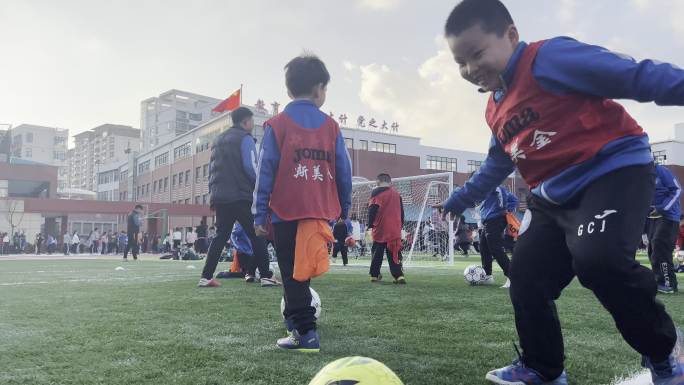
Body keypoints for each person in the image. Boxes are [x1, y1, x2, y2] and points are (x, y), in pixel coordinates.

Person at [437, 1, 684, 383]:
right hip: (552, 199)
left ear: (512, 35)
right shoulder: (494, 108)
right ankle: (543, 368)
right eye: (460, 62)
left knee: (598, 262)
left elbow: (636, 76)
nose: (469, 69)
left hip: (613, 172)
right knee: (526, 277)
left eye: (477, 54)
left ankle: (666, 351)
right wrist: (458, 199)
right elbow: (496, 164)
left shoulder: (549, 59)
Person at [254, 54, 352, 352]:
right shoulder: (331, 127)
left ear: (288, 91)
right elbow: (344, 172)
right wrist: (343, 211)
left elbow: (264, 171)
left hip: (284, 213)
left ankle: (305, 333)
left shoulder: (277, 124)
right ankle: (296, 321)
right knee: (303, 270)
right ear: (320, 89)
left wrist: (259, 214)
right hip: (319, 214)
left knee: (292, 272)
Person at [200, 106, 279, 288]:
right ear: (245, 122)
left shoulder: (218, 140)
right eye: (252, 121)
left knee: (220, 236)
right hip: (241, 196)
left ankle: (205, 276)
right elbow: (251, 167)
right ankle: (266, 275)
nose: (253, 124)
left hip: (221, 197)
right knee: (257, 235)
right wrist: (262, 188)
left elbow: (213, 171)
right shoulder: (245, 138)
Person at [646, 164, 682, 293]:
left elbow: (677, 189)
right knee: (651, 250)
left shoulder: (661, 171)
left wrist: (661, 208)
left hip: (668, 216)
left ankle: (669, 284)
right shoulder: (640, 174)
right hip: (651, 217)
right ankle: (659, 281)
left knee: (660, 247)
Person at [367, 173, 406, 284]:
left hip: (380, 229)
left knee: (377, 253)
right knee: (394, 252)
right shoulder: (397, 194)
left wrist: (370, 226)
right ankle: (399, 276)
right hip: (394, 229)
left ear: (377, 182)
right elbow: (402, 212)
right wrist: (400, 226)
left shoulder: (376, 193)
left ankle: (374, 275)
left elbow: (372, 210)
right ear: (390, 182)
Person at [477, 185, 518, 288]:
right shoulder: (484, 191)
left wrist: (505, 208)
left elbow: (502, 191)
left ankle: (512, 276)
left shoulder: (493, 185)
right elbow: (513, 198)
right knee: (483, 247)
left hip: (496, 219)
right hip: (488, 221)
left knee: (495, 248)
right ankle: (487, 275)